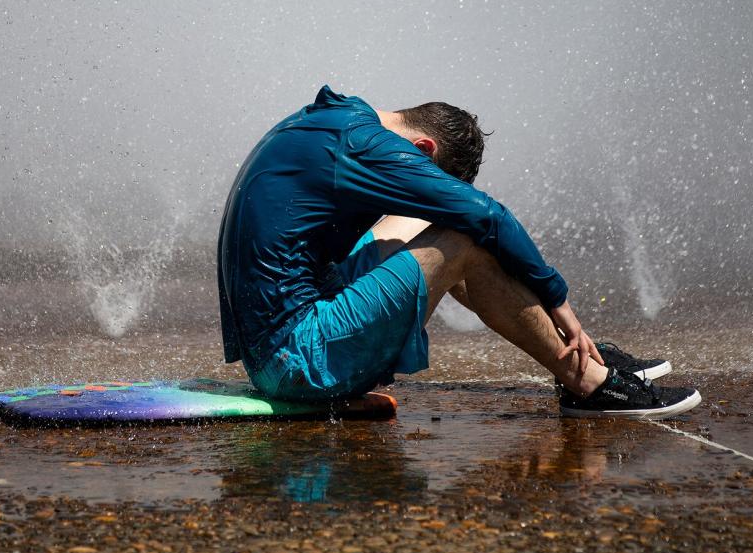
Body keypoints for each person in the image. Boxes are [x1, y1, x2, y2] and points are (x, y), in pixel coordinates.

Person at [217, 86, 701, 418]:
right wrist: (561, 302)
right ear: (424, 148)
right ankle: (589, 383)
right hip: (295, 359)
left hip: (286, 337)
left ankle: (574, 353)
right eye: (430, 174)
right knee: (464, 238)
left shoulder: (338, 120)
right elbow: (487, 216)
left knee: (440, 220)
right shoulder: (365, 144)